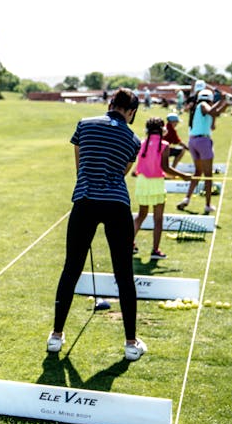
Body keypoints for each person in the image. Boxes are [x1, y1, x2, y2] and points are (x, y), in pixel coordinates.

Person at [47, 89, 146, 361]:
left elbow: (80, 167)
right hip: (117, 205)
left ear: (110, 103)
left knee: (71, 269)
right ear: (131, 112)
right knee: (124, 274)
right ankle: (131, 343)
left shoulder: (84, 124)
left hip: (85, 201)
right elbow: (122, 173)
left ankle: (56, 336)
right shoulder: (133, 139)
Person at [132, 117, 191, 261]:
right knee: (158, 219)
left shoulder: (142, 143)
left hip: (142, 183)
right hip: (156, 183)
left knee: (141, 215)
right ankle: (155, 250)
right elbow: (165, 167)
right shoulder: (164, 144)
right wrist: (183, 176)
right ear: (162, 129)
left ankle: (129, 244)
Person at [177, 88, 228, 214]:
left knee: (198, 172)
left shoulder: (197, 107)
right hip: (203, 141)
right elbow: (212, 111)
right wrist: (221, 100)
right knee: (208, 175)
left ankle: (187, 199)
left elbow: (214, 117)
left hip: (193, 141)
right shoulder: (203, 105)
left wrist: (225, 103)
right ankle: (207, 205)